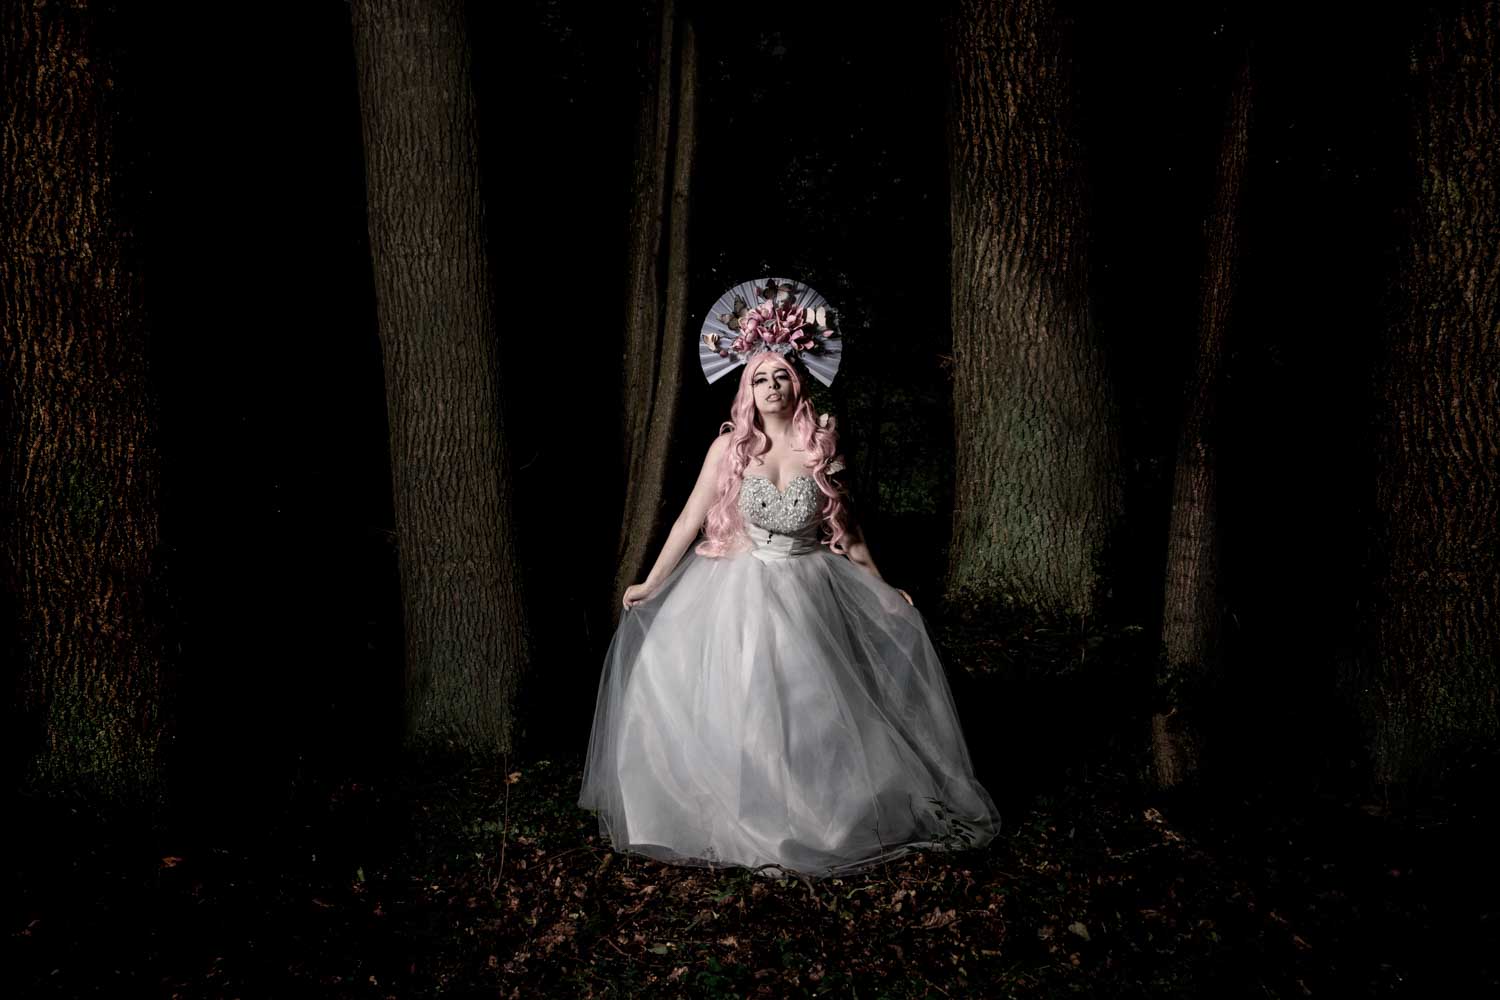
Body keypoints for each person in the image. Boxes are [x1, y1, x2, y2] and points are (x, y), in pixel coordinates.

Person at [577, 281, 1000, 880]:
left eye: (780, 376)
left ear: (796, 384)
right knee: (742, 699)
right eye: (759, 378)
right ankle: (736, 817)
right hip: (735, 589)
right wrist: (650, 582)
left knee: (812, 704)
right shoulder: (729, 450)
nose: (771, 387)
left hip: (807, 585)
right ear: (745, 389)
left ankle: (816, 819)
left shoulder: (818, 448)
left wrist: (883, 588)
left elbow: (848, 536)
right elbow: (689, 518)